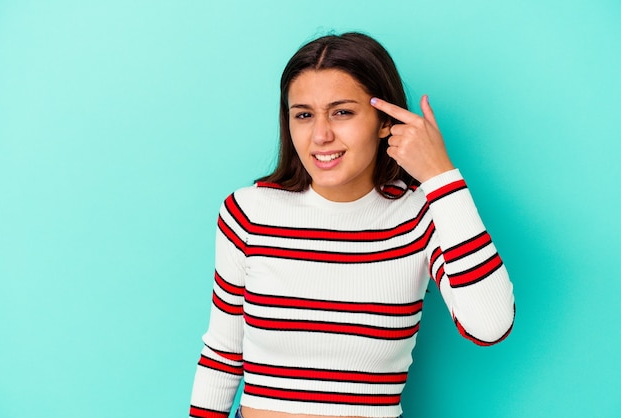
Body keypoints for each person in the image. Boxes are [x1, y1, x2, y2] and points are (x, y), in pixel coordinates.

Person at [189, 32, 515, 418]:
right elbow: (222, 355)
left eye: (342, 111)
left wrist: (441, 177)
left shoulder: (419, 217)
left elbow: (490, 326)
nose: (321, 135)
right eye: (304, 114)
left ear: (384, 121)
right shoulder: (248, 213)